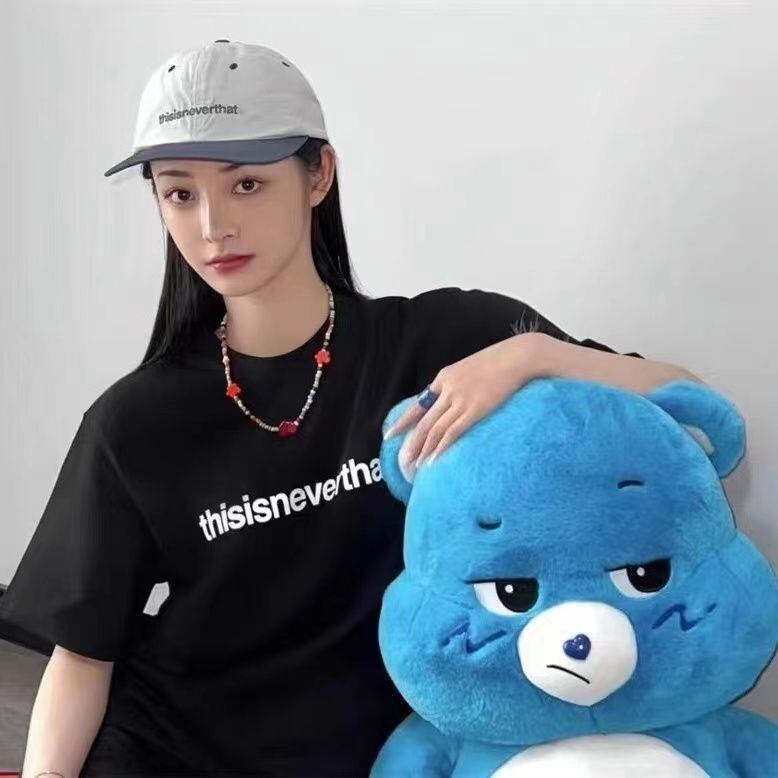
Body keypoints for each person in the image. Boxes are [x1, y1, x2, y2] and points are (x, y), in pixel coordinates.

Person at [0, 40, 701, 778]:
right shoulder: (134, 421)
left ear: (318, 174)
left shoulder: (444, 344)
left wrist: (532, 355)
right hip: (176, 749)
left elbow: (683, 401)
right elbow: (84, 655)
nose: (212, 225)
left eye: (246, 184)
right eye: (179, 193)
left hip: (386, 753)